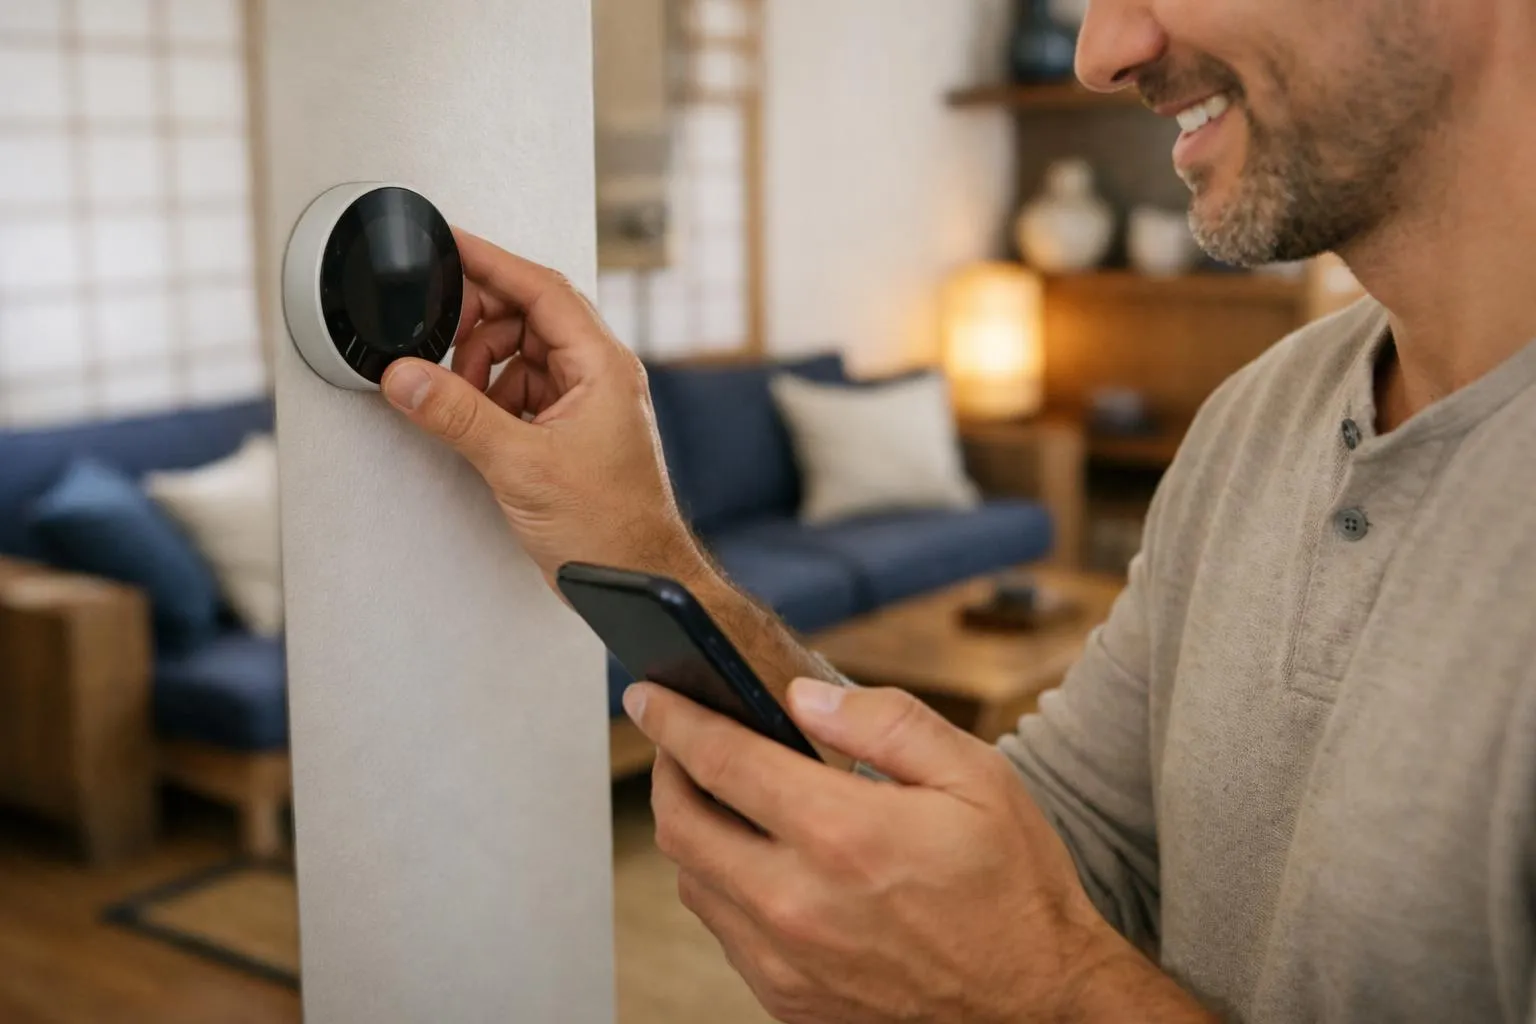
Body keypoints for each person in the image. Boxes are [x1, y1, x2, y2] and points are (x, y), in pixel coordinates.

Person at [377, 0, 1536, 1019]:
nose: (1100, 50)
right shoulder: (1256, 421)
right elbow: (1040, 866)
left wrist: (1043, 996)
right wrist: (633, 538)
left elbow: (1028, 953)